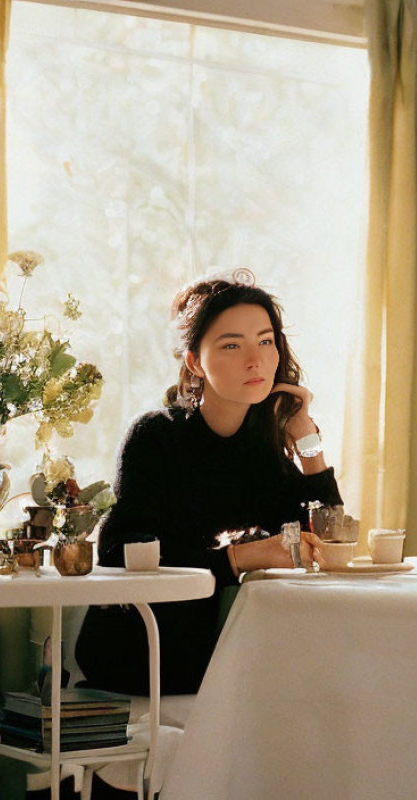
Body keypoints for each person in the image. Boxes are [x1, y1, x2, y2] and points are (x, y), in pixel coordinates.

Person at [75, 270, 341, 694]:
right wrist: (240, 558)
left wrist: (306, 440)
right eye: (232, 345)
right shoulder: (156, 436)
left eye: (266, 340)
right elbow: (121, 552)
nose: (255, 360)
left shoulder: (262, 447)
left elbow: (329, 540)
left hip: (229, 651)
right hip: (141, 652)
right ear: (195, 361)